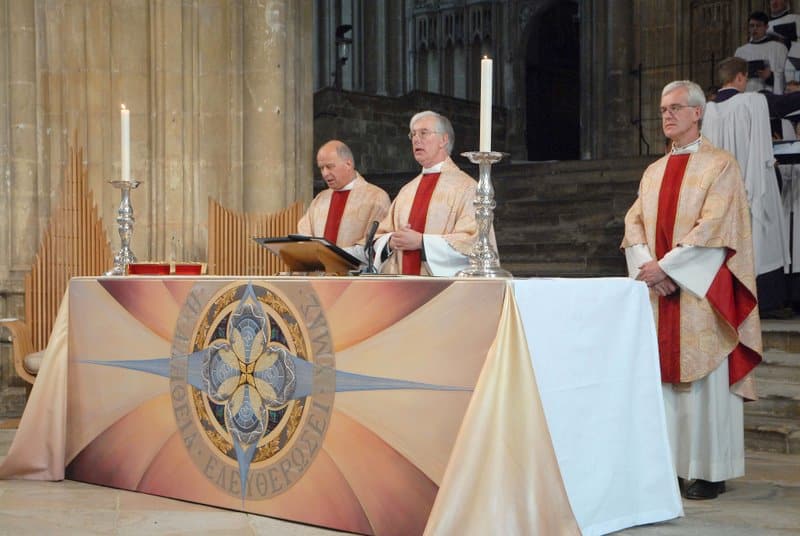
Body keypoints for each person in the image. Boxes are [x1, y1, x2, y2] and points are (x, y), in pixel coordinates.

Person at [621, 80, 762, 501]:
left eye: (676, 108)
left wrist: (666, 268)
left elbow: (719, 227)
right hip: (661, 289)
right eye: (663, 108)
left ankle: (708, 470)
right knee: (663, 386)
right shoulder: (653, 171)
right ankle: (670, 467)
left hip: (703, 291)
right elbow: (634, 223)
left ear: (698, 113)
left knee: (705, 386)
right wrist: (651, 271)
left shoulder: (721, 165)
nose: (667, 115)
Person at [702, 57, 796, 315]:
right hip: (753, 185)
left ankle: (729, 301)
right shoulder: (752, 101)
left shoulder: (708, 112)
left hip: (722, 190)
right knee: (761, 241)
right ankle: (763, 302)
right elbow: (784, 104)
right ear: (741, 77)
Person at [366, 110, 488, 275]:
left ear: (443, 140)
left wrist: (422, 242)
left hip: (444, 292)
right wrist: (390, 242)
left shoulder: (466, 188)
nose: (416, 139)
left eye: (424, 133)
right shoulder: (407, 191)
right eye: (413, 134)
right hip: (401, 288)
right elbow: (380, 235)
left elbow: (473, 242)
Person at [297, 140, 390, 248]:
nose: (325, 173)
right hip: (318, 265)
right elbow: (304, 236)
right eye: (321, 168)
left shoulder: (376, 197)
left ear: (348, 164)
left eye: (330, 166)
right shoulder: (320, 200)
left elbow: (376, 242)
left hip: (355, 265)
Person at [736, 11, 787, 94]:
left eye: (758, 25)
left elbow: (784, 75)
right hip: (747, 95)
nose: (754, 29)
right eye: (752, 26)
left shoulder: (778, 48)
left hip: (769, 95)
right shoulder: (740, 51)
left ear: (766, 27)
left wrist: (770, 76)